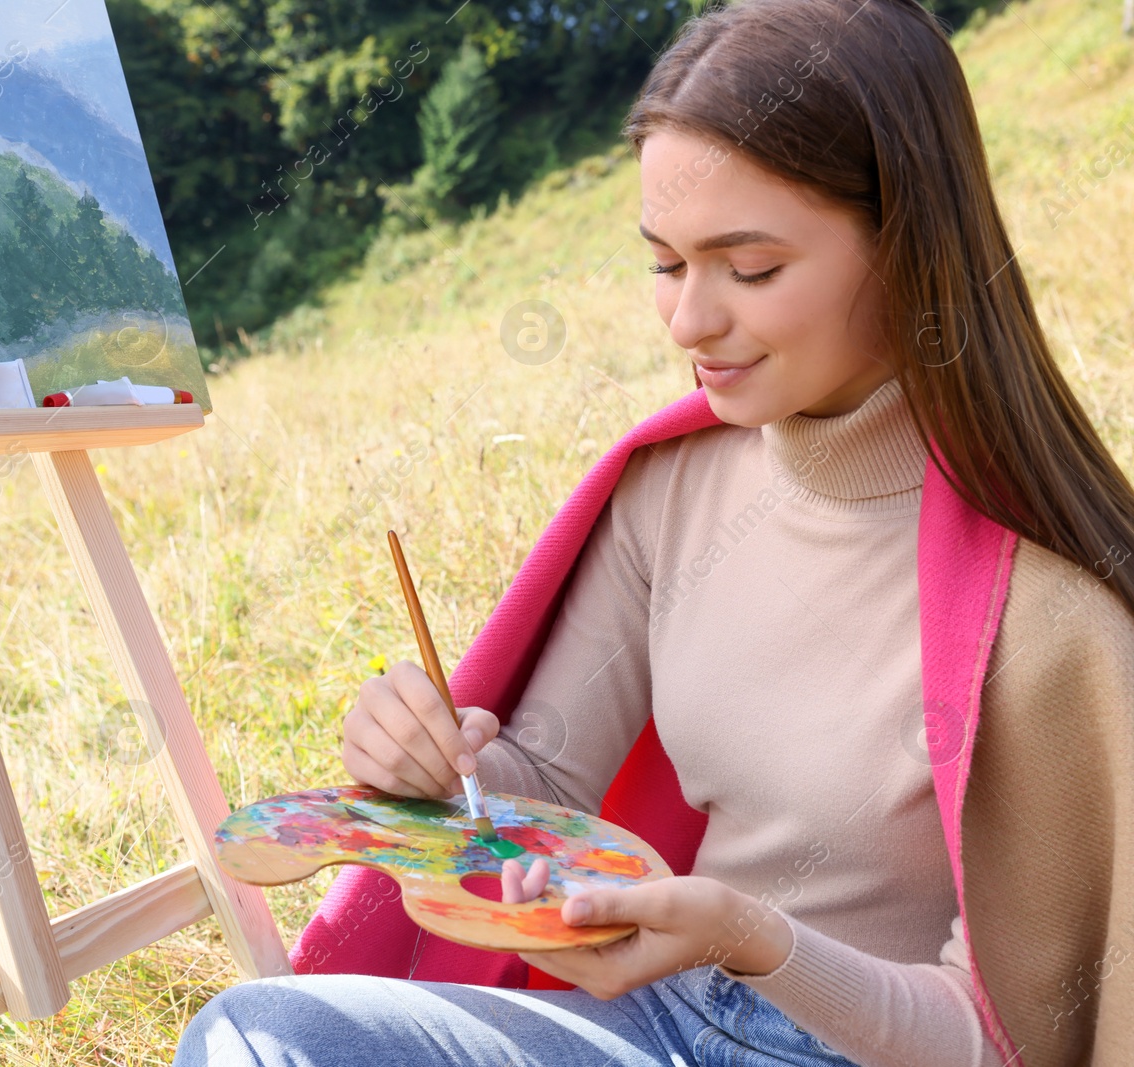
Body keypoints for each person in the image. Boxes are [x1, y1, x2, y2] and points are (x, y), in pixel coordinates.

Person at [173, 0, 1134, 1064]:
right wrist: (432, 766)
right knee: (260, 1037)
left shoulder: (1048, 620)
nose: (687, 322)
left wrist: (754, 940)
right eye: (666, 264)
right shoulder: (669, 488)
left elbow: (1002, 1044)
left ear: (907, 245)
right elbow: (544, 789)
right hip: (647, 1022)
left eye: (749, 267)